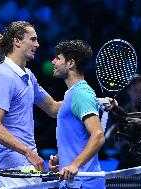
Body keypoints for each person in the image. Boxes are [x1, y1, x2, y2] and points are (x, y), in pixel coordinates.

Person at [0, 21, 63, 187]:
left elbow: (54, 108)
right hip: (12, 170)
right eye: (33, 39)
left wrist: (93, 102)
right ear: (17, 41)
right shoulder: (3, 76)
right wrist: (27, 152)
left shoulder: (28, 76)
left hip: (28, 168)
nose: (37, 44)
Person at [48, 40, 105, 189]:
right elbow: (78, 138)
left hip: (84, 183)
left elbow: (98, 135)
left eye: (58, 58)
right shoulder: (71, 94)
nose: (53, 61)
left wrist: (74, 164)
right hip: (73, 182)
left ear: (71, 63)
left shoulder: (81, 93)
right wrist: (62, 158)